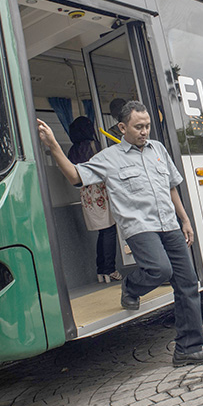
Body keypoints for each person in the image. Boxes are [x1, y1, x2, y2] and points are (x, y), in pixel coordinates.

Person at [38, 101, 203, 367]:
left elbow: (171, 187)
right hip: (139, 227)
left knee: (188, 282)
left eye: (147, 126)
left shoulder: (159, 150)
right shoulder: (109, 158)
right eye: (138, 127)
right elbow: (76, 176)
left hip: (169, 223)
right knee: (159, 269)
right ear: (122, 127)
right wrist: (54, 146)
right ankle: (130, 286)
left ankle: (189, 349)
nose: (145, 131)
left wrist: (185, 219)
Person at [66, 116, 121, 283]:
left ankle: (102, 270)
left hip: (87, 194)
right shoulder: (94, 145)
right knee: (109, 230)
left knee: (102, 232)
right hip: (101, 191)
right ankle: (110, 270)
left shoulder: (72, 151)